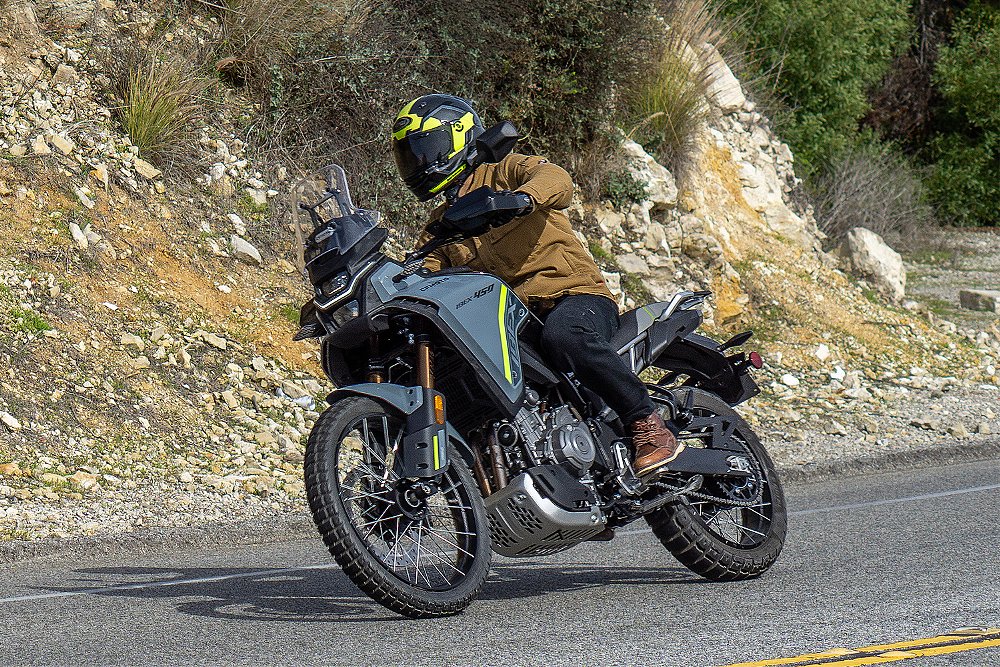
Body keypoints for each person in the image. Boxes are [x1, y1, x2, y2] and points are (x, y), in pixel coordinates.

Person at [390, 94, 682, 478]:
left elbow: (557, 180)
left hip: (573, 296)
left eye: (426, 149)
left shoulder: (505, 171)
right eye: (411, 155)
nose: (420, 163)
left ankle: (647, 423)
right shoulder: (441, 225)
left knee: (565, 337)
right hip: (514, 321)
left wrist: (521, 199)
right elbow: (425, 271)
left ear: (457, 137)